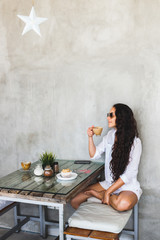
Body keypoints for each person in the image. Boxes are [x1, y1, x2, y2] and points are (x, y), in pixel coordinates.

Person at [71, 103, 142, 211]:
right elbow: (94, 155)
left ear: (121, 117)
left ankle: (100, 195)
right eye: (108, 115)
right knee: (74, 200)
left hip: (127, 187)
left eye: (111, 115)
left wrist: (108, 192)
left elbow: (129, 174)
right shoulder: (110, 135)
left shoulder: (136, 142)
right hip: (108, 183)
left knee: (122, 204)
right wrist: (90, 137)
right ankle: (92, 224)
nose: (108, 117)